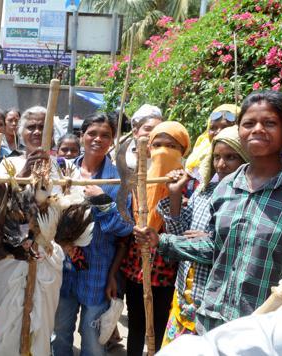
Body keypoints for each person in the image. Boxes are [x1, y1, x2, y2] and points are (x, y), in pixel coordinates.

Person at [135, 90, 282, 334]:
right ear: (239, 132)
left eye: (270, 123)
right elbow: (215, 247)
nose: (257, 129)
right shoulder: (226, 188)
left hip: (266, 332)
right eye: (249, 123)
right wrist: (161, 240)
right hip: (211, 322)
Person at [136, 126, 248, 346]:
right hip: (185, 297)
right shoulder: (203, 190)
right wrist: (175, 194)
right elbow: (179, 234)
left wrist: (209, 239)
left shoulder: (247, 199)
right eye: (216, 157)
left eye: (231, 157)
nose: (221, 165)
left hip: (214, 307)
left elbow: (221, 249)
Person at [51, 113, 133, 356]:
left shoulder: (118, 178)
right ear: (82, 136)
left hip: (97, 271)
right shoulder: (63, 171)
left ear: (112, 140)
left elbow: (125, 228)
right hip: (62, 269)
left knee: (93, 341)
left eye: (105, 135)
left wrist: (102, 201)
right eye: (92, 133)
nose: (98, 139)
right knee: (59, 334)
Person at [0, 105, 64, 356]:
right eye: (31, 127)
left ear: (52, 133)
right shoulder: (8, 164)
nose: (36, 132)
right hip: (13, 258)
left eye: (42, 127)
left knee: (42, 326)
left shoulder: (61, 169)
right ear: (21, 131)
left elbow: (66, 214)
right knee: (7, 324)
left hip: (46, 257)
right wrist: (23, 174)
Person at [120, 121, 190, 356]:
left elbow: (184, 235)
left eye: (171, 146)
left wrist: (175, 195)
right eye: (157, 144)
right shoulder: (139, 183)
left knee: (161, 327)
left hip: (168, 274)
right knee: (136, 326)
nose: (162, 151)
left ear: (183, 151)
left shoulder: (191, 187)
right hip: (135, 269)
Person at [184, 104, 239, 182]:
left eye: (225, 127)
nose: (218, 132)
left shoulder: (247, 157)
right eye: (213, 128)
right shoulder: (198, 157)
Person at [123, 104, 164, 169]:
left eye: (158, 129)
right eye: (147, 129)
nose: (152, 133)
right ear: (135, 132)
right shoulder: (123, 161)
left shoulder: (168, 161)